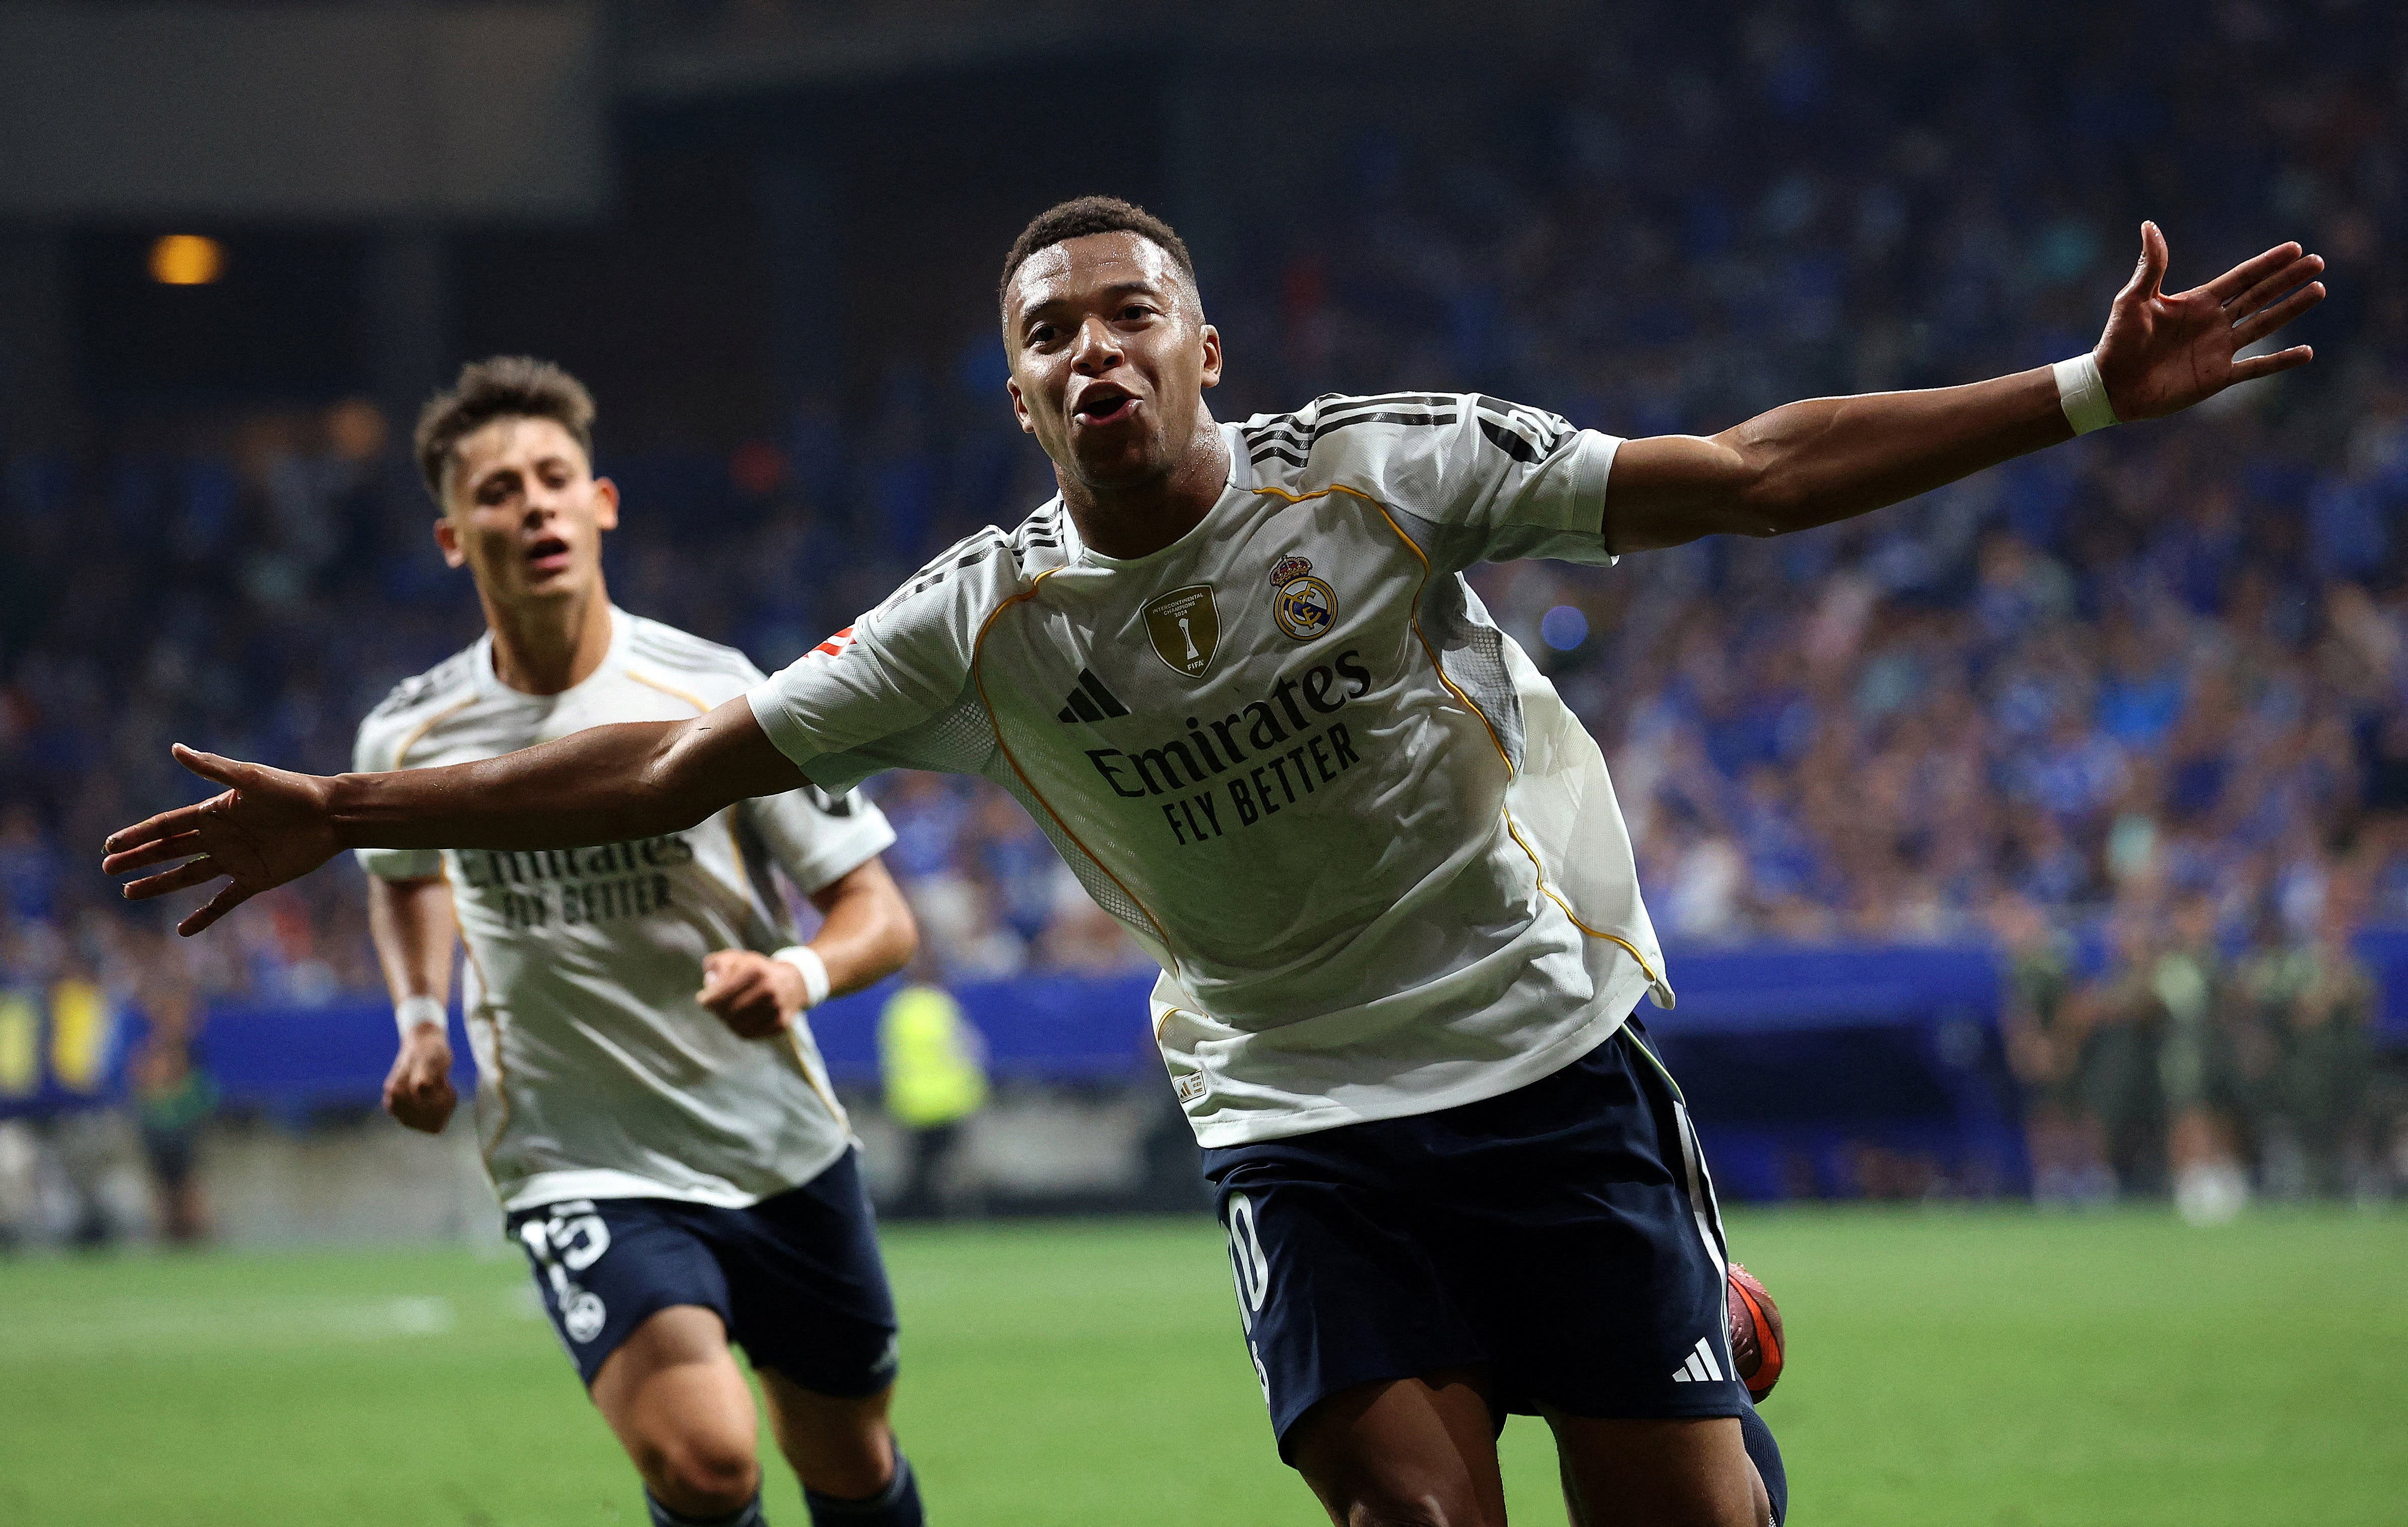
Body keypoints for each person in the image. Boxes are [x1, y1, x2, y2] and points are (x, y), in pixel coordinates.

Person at [106, 197, 2323, 1527]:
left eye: (1124, 312)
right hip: (1296, 1118)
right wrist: (352, 810)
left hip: (1540, 1061)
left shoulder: (1384, 473)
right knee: (1406, 1512)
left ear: (1205, 352)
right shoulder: (976, 623)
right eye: (1044, 333)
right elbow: (678, 764)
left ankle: (1695, 1374)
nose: (1089, 347)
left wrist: (2078, 391)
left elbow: (1746, 474)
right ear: (1017, 398)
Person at [356, 358, 924, 1527]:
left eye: (554, 478)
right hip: (579, 1157)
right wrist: (419, 1019)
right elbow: (402, 876)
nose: (535, 506)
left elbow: (878, 910)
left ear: (601, 503)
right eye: (499, 490)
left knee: (850, 1461)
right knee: (706, 1460)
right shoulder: (411, 736)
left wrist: (796, 973)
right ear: (453, 537)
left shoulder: (717, 694)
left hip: (775, 1142)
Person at [874, 976, 988, 1219]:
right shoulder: (943, 1006)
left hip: (911, 1102)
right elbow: (969, 1050)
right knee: (948, 1166)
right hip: (949, 1101)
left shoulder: (897, 1008)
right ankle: (954, 1214)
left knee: (918, 1166)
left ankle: (917, 1214)